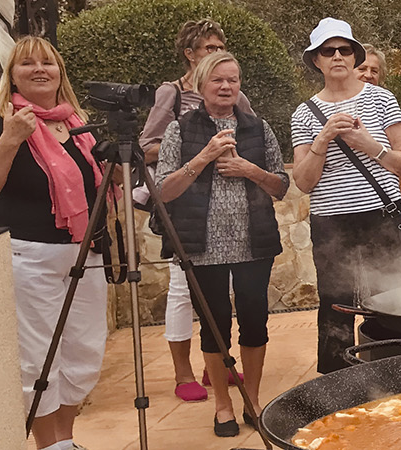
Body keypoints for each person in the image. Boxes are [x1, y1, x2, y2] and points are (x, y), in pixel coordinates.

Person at [155, 51, 287, 437]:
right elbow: (164, 190)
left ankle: (253, 399)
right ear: (201, 85)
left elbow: (280, 185)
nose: (226, 86)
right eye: (218, 80)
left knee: (255, 321)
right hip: (202, 246)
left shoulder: (258, 128)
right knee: (214, 328)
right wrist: (205, 156)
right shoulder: (180, 130)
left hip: (254, 243)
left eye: (233, 79)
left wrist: (249, 169)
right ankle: (223, 406)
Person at [291, 18, 401, 374]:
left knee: (391, 299)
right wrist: (322, 140)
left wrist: (368, 145)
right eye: (327, 51)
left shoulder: (381, 99)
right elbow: (303, 181)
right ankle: (339, 385)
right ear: (315, 60)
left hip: (380, 215)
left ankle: (396, 374)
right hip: (331, 223)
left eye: (344, 49)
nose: (336, 56)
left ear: (354, 55)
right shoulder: (304, 114)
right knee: (335, 304)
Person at [136, 18, 255, 404]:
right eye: (209, 49)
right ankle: (183, 372)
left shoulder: (237, 95)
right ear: (190, 55)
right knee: (182, 291)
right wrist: (191, 147)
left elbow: (250, 134)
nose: (218, 57)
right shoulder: (170, 93)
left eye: (222, 48)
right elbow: (148, 145)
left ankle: (214, 365)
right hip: (184, 204)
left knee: (225, 295)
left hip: (230, 211)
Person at [0, 36, 107, 450]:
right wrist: (9, 139)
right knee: (41, 357)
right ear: (13, 75)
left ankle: (66, 439)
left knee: (83, 351)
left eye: (48, 62)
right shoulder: (4, 120)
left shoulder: (77, 125)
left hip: (85, 252)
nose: (40, 69)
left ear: (60, 71)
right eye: (28, 64)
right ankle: (48, 445)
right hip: (31, 256)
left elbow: (97, 188)